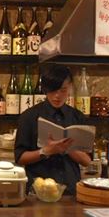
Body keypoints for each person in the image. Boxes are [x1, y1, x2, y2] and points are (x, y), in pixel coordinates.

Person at [15, 64, 91, 194]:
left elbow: (87, 161)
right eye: (53, 90)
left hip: (71, 191)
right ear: (45, 89)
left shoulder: (77, 117)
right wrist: (46, 151)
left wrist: (67, 148)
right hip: (38, 190)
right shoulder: (29, 116)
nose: (57, 95)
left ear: (70, 87)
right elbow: (20, 157)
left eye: (63, 90)